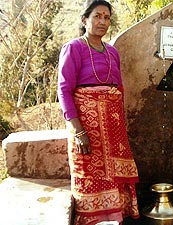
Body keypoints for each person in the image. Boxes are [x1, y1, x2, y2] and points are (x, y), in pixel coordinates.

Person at [57, 1, 140, 224]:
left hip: (113, 129)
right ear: (85, 20)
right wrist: (78, 131)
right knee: (89, 176)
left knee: (114, 177)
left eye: (106, 17)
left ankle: (115, 219)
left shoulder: (112, 51)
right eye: (97, 16)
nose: (102, 21)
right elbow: (64, 90)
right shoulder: (74, 47)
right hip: (86, 127)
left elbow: (119, 90)